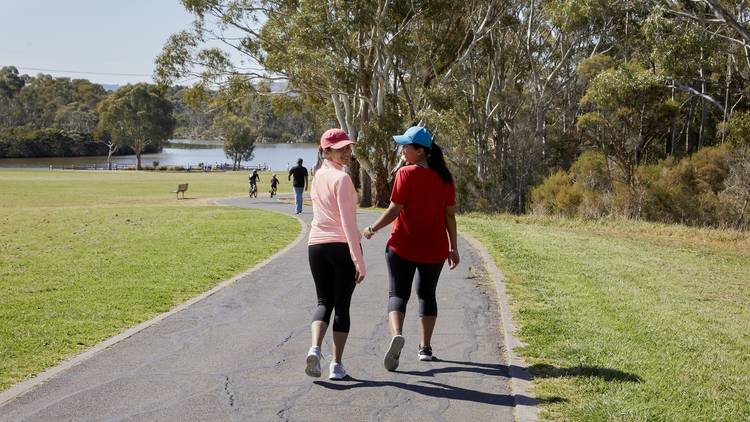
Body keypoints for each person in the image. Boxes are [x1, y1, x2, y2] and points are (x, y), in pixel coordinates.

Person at [362, 125, 459, 371]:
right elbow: (450, 216)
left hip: (402, 246)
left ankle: (397, 334)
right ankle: (425, 348)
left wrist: (372, 228)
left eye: (406, 146)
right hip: (435, 249)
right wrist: (453, 247)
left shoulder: (405, 174)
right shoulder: (445, 179)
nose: (402, 150)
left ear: (421, 151)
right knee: (427, 295)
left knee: (397, 294)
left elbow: (395, 209)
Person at [305, 128, 366, 380]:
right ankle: (336, 365)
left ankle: (315, 348)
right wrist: (358, 260)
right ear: (326, 151)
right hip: (340, 246)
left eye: (348, 147)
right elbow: (347, 222)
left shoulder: (317, 176)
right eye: (340, 149)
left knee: (323, 302)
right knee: (341, 306)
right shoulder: (342, 179)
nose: (346, 152)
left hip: (316, 247)